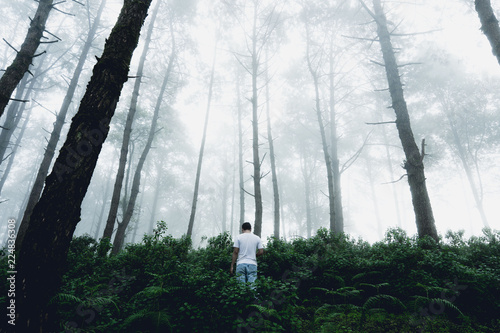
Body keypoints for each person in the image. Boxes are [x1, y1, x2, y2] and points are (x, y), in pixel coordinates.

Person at [230, 222, 264, 287]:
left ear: (242, 229)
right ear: (251, 229)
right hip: (252, 264)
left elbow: (235, 252)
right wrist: (255, 255)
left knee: (241, 287)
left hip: (241, 263)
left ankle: (242, 296)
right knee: (252, 287)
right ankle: (252, 296)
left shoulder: (238, 237)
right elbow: (261, 251)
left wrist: (232, 265)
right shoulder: (257, 238)